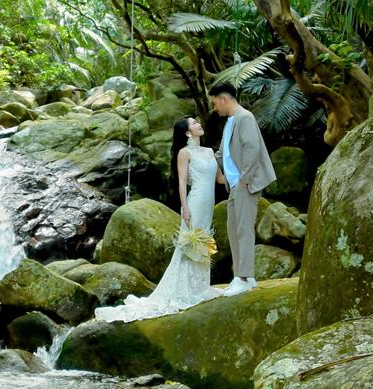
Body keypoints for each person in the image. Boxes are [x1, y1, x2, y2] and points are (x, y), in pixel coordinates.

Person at [95, 116, 224, 323]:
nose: (199, 123)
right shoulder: (185, 153)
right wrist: (185, 207)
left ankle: (200, 286)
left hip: (209, 203)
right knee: (189, 242)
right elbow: (182, 182)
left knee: (203, 242)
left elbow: (219, 179)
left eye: (197, 121)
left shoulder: (209, 151)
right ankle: (183, 289)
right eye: (194, 123)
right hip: (196, 201)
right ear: (187, 133)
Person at [209, 83, 276, 296]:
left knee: (244, 229)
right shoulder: (230, 121)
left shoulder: (244, 117)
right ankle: (241, 275)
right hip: (234, 186)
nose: (214, 108)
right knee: (233, 228)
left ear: (223, 99)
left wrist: (245, 178)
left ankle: (245, 277)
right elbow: (221, 154)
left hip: (245, 183)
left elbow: (252, 147)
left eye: (214, 103)